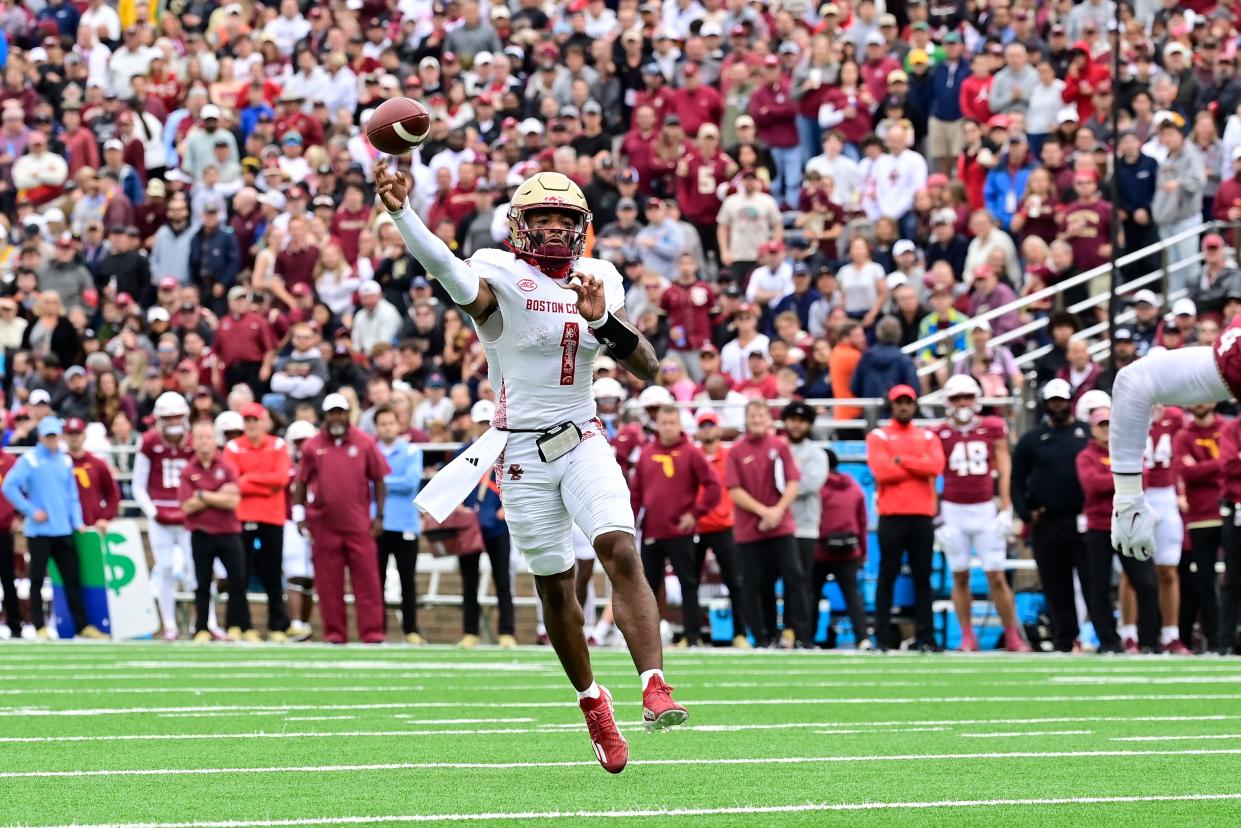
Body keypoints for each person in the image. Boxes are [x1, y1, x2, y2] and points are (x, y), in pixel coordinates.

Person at [379, 165, 684, 775]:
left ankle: (654, 684)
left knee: (620, 549)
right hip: (518, 451)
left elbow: (648, 368)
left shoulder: (602, 279)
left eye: (564, 218)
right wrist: (402, 214)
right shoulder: (500, 273)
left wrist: (603, 321)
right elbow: (444, 267)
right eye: (541, 217)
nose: (552, 228)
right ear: (519, 225)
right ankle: (593, 702)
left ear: (582, 229)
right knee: (554, 585)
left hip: (583, 435)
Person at [933, 376, 1029, 652]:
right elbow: (934, 475)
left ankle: (1012, 635)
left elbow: (1004, 465)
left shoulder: (992, 427)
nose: (962, 403)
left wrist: (1006, 506)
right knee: (959, 575)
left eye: (967, 397)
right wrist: (936, 514)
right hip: (953, 509)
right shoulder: (939, 432)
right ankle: (967, 637)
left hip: (986, 508)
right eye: (956, 398)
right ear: (947, 402)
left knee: (996, 575)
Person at [292, 393, 389, 644]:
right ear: (325, 416)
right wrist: (299, 515)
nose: (336, 417)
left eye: (340, 412)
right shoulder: (313, 446)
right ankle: (335, 633)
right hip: (323, 525)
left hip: (358, 525)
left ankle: (372, 633)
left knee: (367, 582)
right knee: (327, 584)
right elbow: (301, 482)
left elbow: (379, 479)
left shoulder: (365, 442)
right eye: (332, 412)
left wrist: (379, 516)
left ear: (348, 414)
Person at [2, 416, 105, 640]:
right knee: (37, 580)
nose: (52, 440)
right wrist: (30, 510)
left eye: (54, 435)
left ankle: (82, 625)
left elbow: (72, 496)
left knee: (72, 578)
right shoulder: (30, 459)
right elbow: (9, 486)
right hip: (39, 532)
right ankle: (39, 626)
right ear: (40, 436)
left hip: (63, 529)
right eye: (48, 436)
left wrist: (77, 521)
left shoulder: (65, 461)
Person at [630, 404, 721, 648]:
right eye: (664, 423)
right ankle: (647, 639)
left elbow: (713, 486)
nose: (668, 427)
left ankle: (692, 637)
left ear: (680, 424)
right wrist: (633, 523)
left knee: (688, 584)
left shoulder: (691, 452)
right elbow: (636, 493)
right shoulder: (647, 454)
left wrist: (695, 514)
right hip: (652, 531)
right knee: (647, 588)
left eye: (672, 422)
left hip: (681, 532)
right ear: (657, 425)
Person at [1012, 379, 1090, 652]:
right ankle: (1063, 638)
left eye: (1062, 401)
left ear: (1070, 401)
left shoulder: (1087, 434)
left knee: (1093, 581)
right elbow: (1017, 481)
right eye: (1053, 401)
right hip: (1047, 520)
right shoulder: (1032, 439)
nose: (1058, 406)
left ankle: (1104, 636)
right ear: (1045, 404)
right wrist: (1025, 513)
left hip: (1084, 519)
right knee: (1055, 584)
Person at [133, 391, 217, 640]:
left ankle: (206, 622)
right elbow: (139, 483)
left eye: (176, 417)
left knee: (198, 570)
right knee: (166, 569)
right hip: (160, 511)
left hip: (188, 513)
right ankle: (169, 624)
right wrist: (152, 510)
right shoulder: (149, 442)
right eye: (168, 418)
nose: (172, 422)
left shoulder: (194, 441)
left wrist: (195, 505)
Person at [725, 399, 809, 648]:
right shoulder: (736, 451)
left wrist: (776, 512)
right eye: (753, 415)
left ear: (770, 419)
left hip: (781, 526)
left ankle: (800, 635)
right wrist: (763, 512)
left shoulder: (780, 446)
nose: (758, 419)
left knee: (794, 577)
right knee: (753, 583)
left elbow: (794, 482)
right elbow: (733, 489)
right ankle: (762, 637)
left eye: (762, 415)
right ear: (746, 419)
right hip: (750, 529)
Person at [866, 384, 944, 651]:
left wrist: (901, 460)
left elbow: (935, 466)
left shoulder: (928, 436)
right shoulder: (879, 435)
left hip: (922, 515)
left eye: (908, 402)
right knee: (887, 575)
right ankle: (883, 637)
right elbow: (881, 471)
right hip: (892, 515)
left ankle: (926, 637)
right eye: (899, 402)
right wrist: (916, 463)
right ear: (891, 405)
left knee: (923, 577)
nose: (903, 407)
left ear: (914, 405)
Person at [1076, 407, 1159, 653]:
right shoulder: (1086, 455)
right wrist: (1124, 480)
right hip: (1099, 525)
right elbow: (1091, 485)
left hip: (1129, 524)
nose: (1106, 429)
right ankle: (1109, 641)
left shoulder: (1128, 452)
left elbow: (1144, 478)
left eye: (1110, 424)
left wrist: (1115, 481)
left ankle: (1149, 641)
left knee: (1146, 583)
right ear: (1093, 428)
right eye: (1102, 424)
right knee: (1098, 587)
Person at [179, 420, 256, 643]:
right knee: (202, 583)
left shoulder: (227, 467)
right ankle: (201, 627)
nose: (204, 441)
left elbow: (233, 502)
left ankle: (239, 625)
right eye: (200, 437)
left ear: (215, 440)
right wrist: (215, 494)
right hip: (201, 532)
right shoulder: (188, 471)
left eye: (208, 437)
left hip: (228, 531)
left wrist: (201, 495)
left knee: (237, 580)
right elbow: (186, 506)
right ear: (193, 441)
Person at [222, 403, 292, 642]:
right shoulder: (233, 447)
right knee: (239, 572)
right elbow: (233, 482)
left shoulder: (278, 445)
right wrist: (264, 484)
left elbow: (282, 479)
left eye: (256, 420)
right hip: (242, 516)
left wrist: (249, 478)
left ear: (264, 421)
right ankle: (240, 623)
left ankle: (277, 626)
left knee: (273, 572)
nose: (252, 425)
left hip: (272, 517)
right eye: (248, 421)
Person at [692, 409, 757, 648]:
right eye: (704, 425)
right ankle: (692, 634)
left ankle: (740, 633)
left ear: (719, 429)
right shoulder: (693, 456)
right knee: (690, 584)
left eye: (711, 425)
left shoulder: (730, 456)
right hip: (697, 526)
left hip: (725, 526)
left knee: (735, 582)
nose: (708, 429)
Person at [459, 400, 517, 649]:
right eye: (481, 423)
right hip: (470, 526)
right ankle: (470, 631)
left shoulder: (506, 450)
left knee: (503, 580)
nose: (484, 427)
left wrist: (508, 508)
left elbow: (517, 479)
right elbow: (454, 484)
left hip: (495, 525)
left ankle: (507, 632)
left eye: (487, 423)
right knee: (468, 581)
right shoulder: (463, 452)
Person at [1172, 403, 1224, 654]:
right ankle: (1214, 642)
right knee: (1204, 582)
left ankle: (1227, 638)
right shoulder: (1183, 436)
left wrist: (1202, 467)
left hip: (1229, 511)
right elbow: (1186, 473)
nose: (1200, 403)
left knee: (1234, 581)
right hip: (1199, 516)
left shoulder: (1228, 428)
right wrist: (1221, 463)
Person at [374, 403, 427, 645]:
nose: (387, 427)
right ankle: (377, 629)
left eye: (390, 423)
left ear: (399, 425)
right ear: (376, 427)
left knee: (408, 579)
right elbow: (364, 484)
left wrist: (379, 482)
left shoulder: (411, 451)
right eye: (382, 423)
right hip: (377, 524)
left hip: (405, 524)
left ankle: (411, 629)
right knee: (376, 581)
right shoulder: (371, 451)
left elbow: (410, 482)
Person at [1142, 405, 1191, 654]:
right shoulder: (1130, 408)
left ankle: (1171, 634)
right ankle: (1131, 633)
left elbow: (1182, 453)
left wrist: (1181, 488)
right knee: (1134, 571)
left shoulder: (1175, 416)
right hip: (1138, 493)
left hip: (1166, 493)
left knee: (1168, 568)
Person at [781, 401, 828, 644]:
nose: (796, 424)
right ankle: (781, 632)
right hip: (777, 524)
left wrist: (786, 482)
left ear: (808, 424)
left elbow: (812, 483)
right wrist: (793, 478)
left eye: (801, 420)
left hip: (805, 526)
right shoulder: (777, 449)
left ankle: (803, 633)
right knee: (778, 580)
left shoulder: (817, 454)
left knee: (802, 582)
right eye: (792, 419)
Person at [815, 448, 872, 649]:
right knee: (852, 596)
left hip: (819, 551)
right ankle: (862, 638)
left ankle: (807, 637)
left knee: (811, 595)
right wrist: (863, 552)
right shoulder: (854, 487)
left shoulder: (816, 488)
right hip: (849, 551)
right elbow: (863, 523)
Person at [64, 417, 120, 529]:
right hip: (65, 527)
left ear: (84, 435)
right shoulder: (59, 463)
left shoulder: (98, 463)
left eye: (77, 433)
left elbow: (113, 494)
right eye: (70, 433)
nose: (74, 437)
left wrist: (105, 517)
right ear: (64, 436)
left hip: (92, 525)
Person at [0, 449, 22, 638]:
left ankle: (15, 625)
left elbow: (24, 488)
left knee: (8, 579)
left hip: (3, 529)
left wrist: (17, 514)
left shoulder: (10, 461)